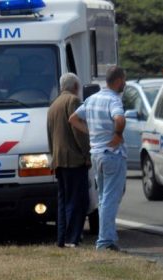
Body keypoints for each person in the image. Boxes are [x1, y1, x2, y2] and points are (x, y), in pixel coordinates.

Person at [69, 66, 127, 251]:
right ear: (118, 81)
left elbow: (73, 118)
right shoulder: (113, 99)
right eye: (124, 80)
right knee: (111, 197)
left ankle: (108, 236)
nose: (124, 84)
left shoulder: (92, 99)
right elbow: (119, 118)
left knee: (103, 197)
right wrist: (117, 134)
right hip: (111, 154)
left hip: (96, 153)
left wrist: (91, 132)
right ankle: (105, 241)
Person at [47, 73, 90, 248]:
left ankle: (62, 237)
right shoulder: (72, 101)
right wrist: (87, 153)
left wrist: (52, 157)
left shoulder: (54, 104)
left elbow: (50, 135)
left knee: (64, 200)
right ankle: (72, 238)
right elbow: (78, 131)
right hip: (73, 159)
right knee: (77, 200)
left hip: (59, 159)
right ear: (75, 86)